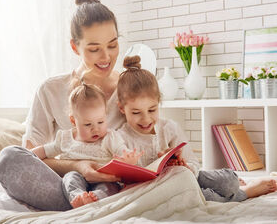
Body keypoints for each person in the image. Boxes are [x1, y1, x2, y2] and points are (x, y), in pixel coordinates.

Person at [0, 0, 126, 211]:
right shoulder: (51, 90)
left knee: (182, 174)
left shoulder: (131, 88)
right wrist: (80, 166)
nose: (106, 57)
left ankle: (93, 206)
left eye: (112, 45)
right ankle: (89, 205)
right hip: (68, 184)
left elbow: (150, 144)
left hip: (122, 185)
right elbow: (31, 157)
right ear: (75, 47)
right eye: (94, 49)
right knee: (8, 159)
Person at [116, 55, 277, 202]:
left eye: (152, 110)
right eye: (136, 112)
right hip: (166, 190)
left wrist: (183, 165)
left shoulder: (169, 128)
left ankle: (237, 185)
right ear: (122, 108)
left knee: (228, 182)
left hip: (188, 177)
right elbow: (122, 184)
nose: (146, 119)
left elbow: (194, 164)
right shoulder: (120, 138)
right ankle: (245, 192)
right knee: (201, 198)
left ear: (159, 103)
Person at [31, 77, 142, 208]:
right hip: (77, 176)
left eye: (100, 122)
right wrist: (28, 155)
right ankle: (79, 198)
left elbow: (122, 151)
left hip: (103, 178)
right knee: (70, 178)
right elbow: (45, 150)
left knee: (109, 187)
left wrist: (129, 159)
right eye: (88, 124)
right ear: (73, 121)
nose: (96, 128)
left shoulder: (110, 137)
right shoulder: (65, 138)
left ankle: (97, 199)